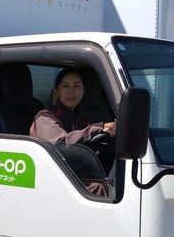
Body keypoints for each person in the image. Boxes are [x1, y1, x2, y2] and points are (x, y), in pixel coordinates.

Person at [29, 67, 116, 196]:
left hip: (74, 173)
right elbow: (61, 143)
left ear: (83, 91)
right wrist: (97, 128)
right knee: (99, 189)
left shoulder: (80, 117)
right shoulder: (45, 117)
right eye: (65, 86)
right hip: (51, 178)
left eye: (76, 86)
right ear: (57, 91)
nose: (71, 92)